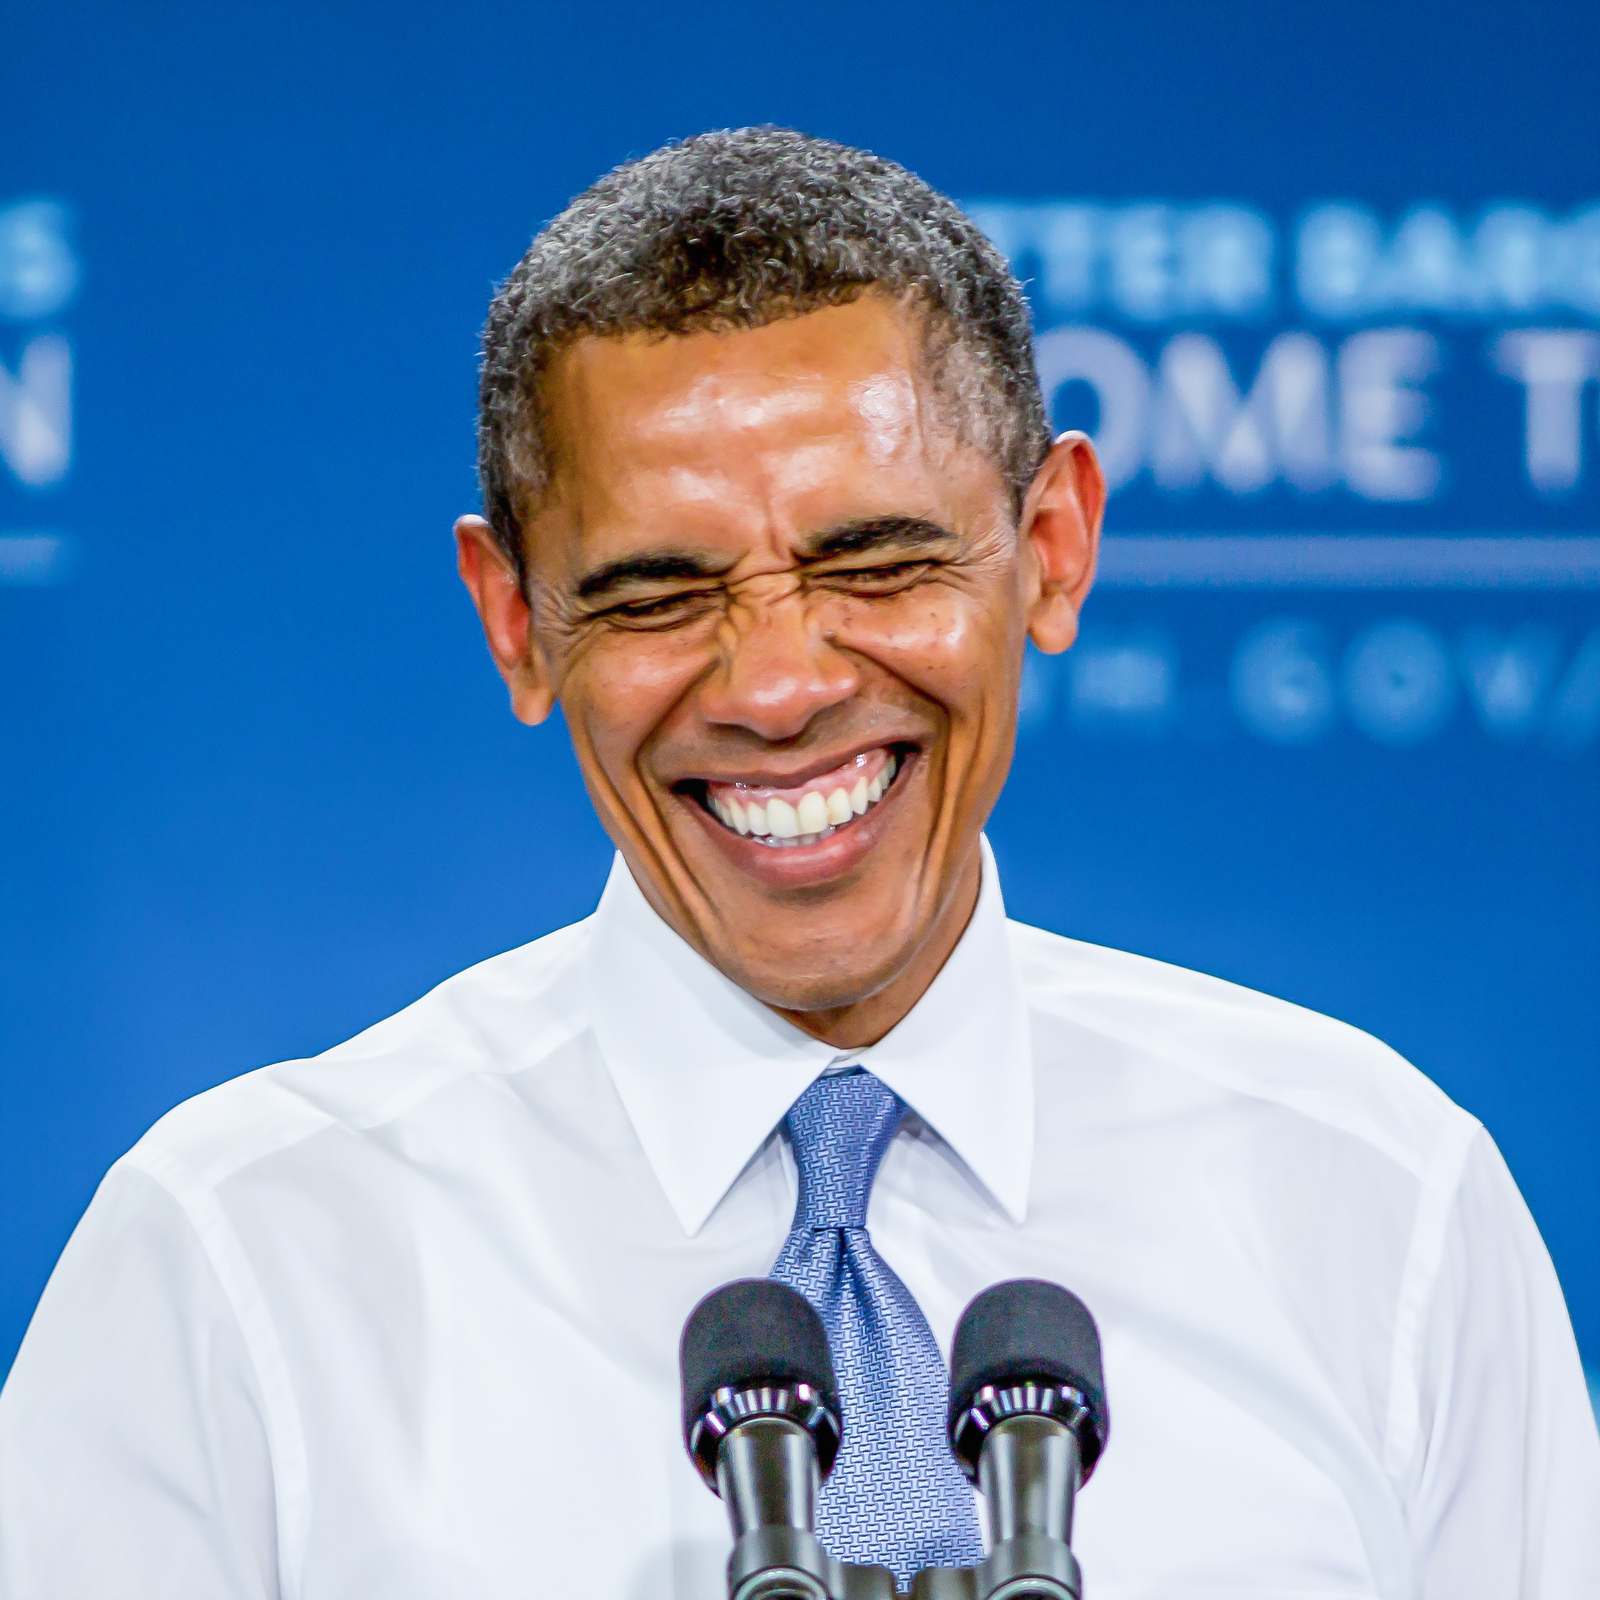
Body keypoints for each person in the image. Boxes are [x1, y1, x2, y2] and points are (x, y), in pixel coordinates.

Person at [1, 127, 1596, 1600]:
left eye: (876, 561)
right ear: (515, 620)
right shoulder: (240, 1267)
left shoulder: (1382, 1212)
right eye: (654, 593)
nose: (777, 687)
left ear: (1051, 547)